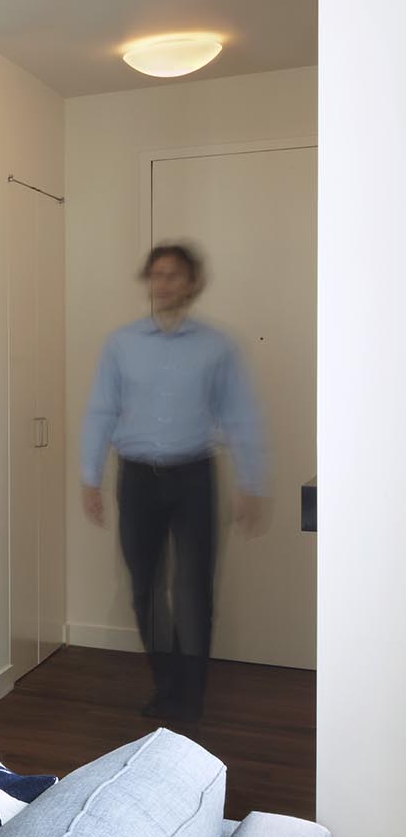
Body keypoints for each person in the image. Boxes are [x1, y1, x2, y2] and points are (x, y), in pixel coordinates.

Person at [79, 242, 268, 724]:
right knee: (144, 589)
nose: (163, 284)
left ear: (191, 284)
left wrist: (251, 483)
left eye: (173, 276)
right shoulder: (121, 344)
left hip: (194, 479)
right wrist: (90, 477)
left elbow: (240, 415)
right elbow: (101, 410)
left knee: (193, 590)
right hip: (137, 479)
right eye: (156, 275)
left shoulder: (217, 346)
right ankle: (166, 684)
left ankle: (191, 697)